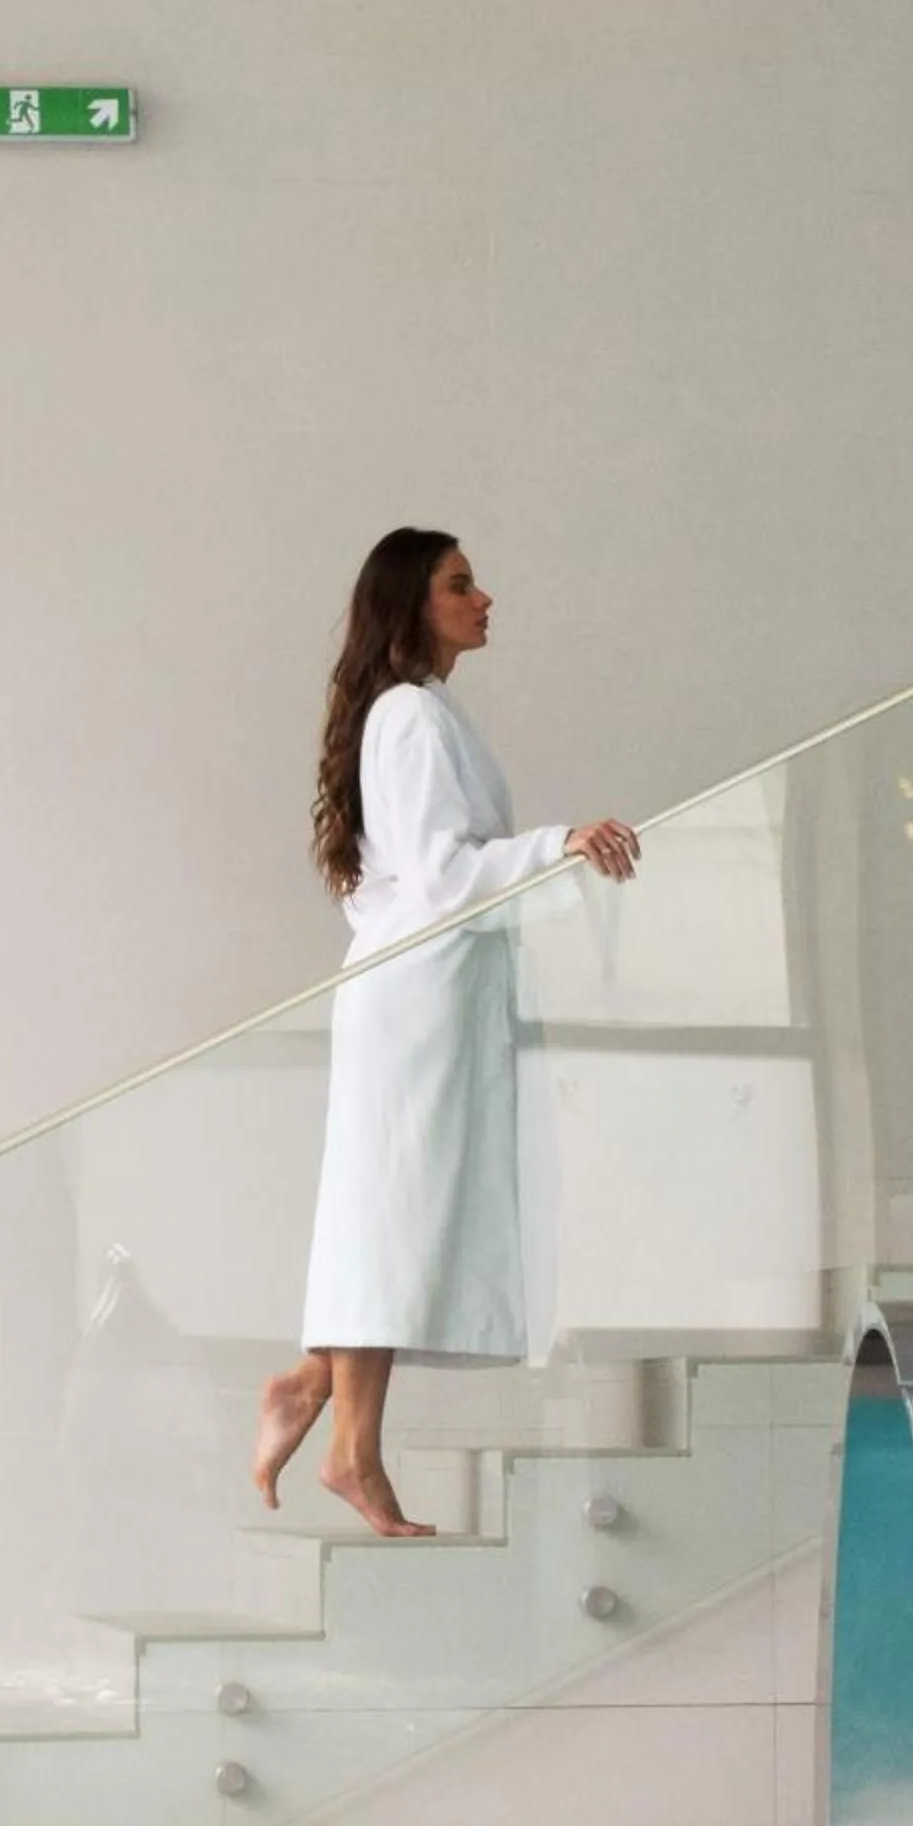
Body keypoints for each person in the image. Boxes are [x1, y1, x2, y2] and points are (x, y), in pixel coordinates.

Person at [253, 529, 640, 1536]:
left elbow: (382, 886)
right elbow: (438, 875)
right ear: (413, 604)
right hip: (417, 1005)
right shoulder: (413, 717)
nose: (484, 598)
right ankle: (342, 1438)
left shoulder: (413, 715)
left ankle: (321, 1400)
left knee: (397, 1208)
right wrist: (560, 844)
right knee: (394, 1209)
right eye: (460, 585)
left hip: (421, 996)